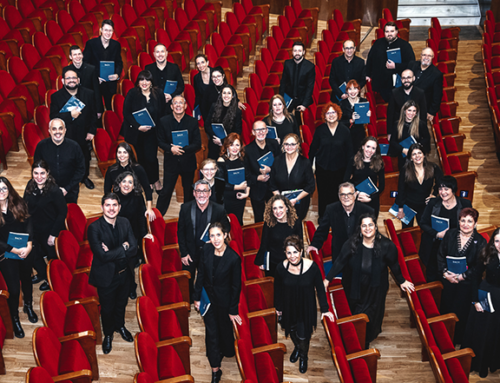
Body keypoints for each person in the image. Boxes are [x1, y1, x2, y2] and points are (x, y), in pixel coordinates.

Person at [324, 214, 415, 348]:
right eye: (364, 225)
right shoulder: (351, 243)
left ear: (375, 227)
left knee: (372, 315)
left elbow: (394, 265)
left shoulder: (386, 245)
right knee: (356, 313)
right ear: (360, 228)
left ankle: (366, 340)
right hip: (354, 286)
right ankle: (356, 337)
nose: (367, 228)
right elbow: (339, 262)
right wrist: (327, 279)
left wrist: (402, 281)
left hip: (375, 289)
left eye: (370, 225)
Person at [274, 235, 334, 373]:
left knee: (303, 336)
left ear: (301, 251)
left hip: (306, 307)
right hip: (288, 307)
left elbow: (320, 289)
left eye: (295, 252)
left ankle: (303, 356)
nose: (292, 256)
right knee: (292, 332)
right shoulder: (280, 268)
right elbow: (277, 289)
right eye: (289, 252)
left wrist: (325, 309)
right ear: (285, 253)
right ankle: (297, 347)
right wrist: (278, 307)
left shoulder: (312, 268)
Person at [88, 193, 137, 354]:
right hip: (106, 277)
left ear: (119, 207)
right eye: (107, 205)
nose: (111, 208)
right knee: (107, 308)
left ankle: (120, 325)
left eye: (114, 205)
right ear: (102, 207)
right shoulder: (94, 228)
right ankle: (108, 334)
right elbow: (102, 256)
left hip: (124, 274)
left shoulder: (125, 222)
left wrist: (114, 252)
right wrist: (123, 248)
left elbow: (134, 248)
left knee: (121, 304)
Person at [194, 222, 242, 383]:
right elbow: (200, 274)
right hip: (207, 300)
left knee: (224, 330)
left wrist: (233, 310)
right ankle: (215, 369)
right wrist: (196, 297)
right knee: (212, 333)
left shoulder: (234, 258)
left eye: (218, 235)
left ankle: (225, 350)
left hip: (224, 301)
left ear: (225, 235)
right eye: (212, 235)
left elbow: (236, 286)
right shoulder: (206, 249)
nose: (215, 239)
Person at [437, 208, 486, 345]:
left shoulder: (481, 242)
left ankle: (456, 340)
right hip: (448, 281)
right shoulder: (450, 234)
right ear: (458, 221)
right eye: (463, 220)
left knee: (461, 314)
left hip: (467, 286)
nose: (465, 224)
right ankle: (443, 338)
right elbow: (440, 255)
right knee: (446, 309)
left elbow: (479, 267)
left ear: (475, 224)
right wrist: (445, 273)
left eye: (470, 221)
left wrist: (462, 277)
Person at [178, 179, 230, 301]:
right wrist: (184, 253)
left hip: (210, 251)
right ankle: (190, 301)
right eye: (198, 191)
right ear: (194, 193)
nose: (202, 194)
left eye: (205, 191)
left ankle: (207, 300)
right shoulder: (185, 208)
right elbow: (181, 232)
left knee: (209, 278)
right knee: (188, 279)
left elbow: (226, 227)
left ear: (210, 193)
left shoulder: (219, 209)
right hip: (190, 252)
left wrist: (218, 238)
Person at [24, 160, 67, 292]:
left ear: (48, 173)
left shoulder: (54, 190)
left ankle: (52, 280)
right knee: (34, 254)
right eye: (36, 173)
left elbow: (62, 213)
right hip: (33, 228)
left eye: (42, 173)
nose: (39, 177)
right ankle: (42, 274)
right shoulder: (30, 185)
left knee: (52, 257)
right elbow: (25, 206)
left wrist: (53, 235)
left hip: (50, 230)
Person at [50, 67, 97, 190]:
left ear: (78, 80)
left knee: (85, 157)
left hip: (84, 133)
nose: (71, 80)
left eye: (74, 78)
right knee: (68, 158)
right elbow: (53, 117)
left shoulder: (89, 93)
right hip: (66, 135)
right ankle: (71, 180)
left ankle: (84, 177)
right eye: (68, 78)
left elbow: (93, 114)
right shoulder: (56, 97)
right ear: (63, 81)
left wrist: (92, 131)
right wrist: (69, 115)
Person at [462, 228, 500, 378]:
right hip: (487, 296)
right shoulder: (486, 254)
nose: (499, 245)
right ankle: (479, 364)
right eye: (497, 241)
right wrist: (475, 300)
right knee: (483, 331)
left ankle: (494, 362)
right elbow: (475, 278)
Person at [419, 176, 472, 282]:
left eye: (446, 189)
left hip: (454, 246)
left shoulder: (465, 204)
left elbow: (469, 225)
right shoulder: (433, 203)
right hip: (434, 245)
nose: (443, 192)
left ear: (453, 190)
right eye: (440, 189)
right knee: (432, 273)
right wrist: (437, 234)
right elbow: (423, 223)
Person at [0, 177, 34, 338]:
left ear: (9, 189)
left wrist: (29, 245)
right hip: (6, 254)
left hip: (24, 248)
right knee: (13, 289)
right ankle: (14, 319)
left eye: (4, 188)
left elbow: (28, 221)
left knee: (27, 279)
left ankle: (28, 305)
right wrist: (14, 250)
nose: (2, 192)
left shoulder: (18, 202)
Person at [156, 95, 201, 216]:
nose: (178, 105)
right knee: (166, 191)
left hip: (188, 162)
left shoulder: (192, 122)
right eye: (175, 103)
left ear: (185, 106)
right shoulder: (164, 121)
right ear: (171, 106)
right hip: (171, 162)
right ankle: (157, 215)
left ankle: (188, 215)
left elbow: (197, 144)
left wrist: (182, 150)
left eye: (181, 103)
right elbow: (160, 141)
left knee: (188, 190)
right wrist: (171, 149)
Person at [122, 70, 167, 191]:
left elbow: (163, 113)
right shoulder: (132, 93)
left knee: (151, 158)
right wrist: (138, 126)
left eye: (147, 80)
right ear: (138, 81)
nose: (144, 82)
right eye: (141, 79)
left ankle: (155, 181)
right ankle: (145, 182)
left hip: (153, 132)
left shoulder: (158, 93)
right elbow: (126, 113)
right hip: (137, 132)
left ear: (151, 82)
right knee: (140, 159)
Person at [308, 182, 374, 262]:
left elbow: (373, 234)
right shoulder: (331, 209)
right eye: (343, 194)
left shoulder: (367, 211)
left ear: (355, 195)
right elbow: (322, 230)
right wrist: (314, 245)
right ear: (339, 196)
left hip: (360, 256)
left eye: (349, 194)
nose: (346, 197)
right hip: (340, 256)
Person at [309, 102, 353, 219]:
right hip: (322, 168)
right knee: (323, 195)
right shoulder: (320, 130)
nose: (331, 115)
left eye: (333, 112)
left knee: (337, 195)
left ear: (338, 114)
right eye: (328, 113)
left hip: (340, 169)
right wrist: (309, 166)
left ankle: (336, 219)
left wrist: (348, 173)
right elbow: (313, 149)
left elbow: (350, 154)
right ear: (325, 115)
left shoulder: (345, 131)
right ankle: (323, 218)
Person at [112, 172, 151, 299]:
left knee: (129, 265)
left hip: (133, 235)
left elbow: (141, 217)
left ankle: (131, 287)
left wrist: (145, 234)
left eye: (130, 182)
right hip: (117, 235)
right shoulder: (113, 197)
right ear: (119, 183)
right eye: (124, 181)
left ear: (134, 185)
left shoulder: (138, 196)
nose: (127, 185)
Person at [33, 118, 85, 204]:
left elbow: (81, 169)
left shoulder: (75, 146)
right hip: (48, 190)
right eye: (54, 129)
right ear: (49, 131)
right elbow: (37, 168)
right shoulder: (41, 146)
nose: (58, 132)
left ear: (65, 130)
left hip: (70, 191)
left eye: (60, 128)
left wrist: (67, 188)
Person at [366, 21, 416, 102]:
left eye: (392, 31)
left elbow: (412, 64)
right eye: (387, 31)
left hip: (396, 85)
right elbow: (370, 59)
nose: (389, 34)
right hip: (379, 84)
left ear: (396, 32)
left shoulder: (405, 46)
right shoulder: (378, 43)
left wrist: (396, 66)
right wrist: (367, 74)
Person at [270, 133, 315, 221]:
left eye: (292, 144)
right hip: (281, 204)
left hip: (299, 203)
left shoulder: (305, 162)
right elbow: (272, 184)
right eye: (286, 144)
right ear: (283, 145)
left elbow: (310, 186)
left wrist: (295, 199)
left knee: (296, 228)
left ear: (298, 145)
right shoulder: (277, 160)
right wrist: (281, 201)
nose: (289, 147)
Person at [103, 142, 155, 220]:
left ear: (129, 154)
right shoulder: (111, 170)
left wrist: (149, 208)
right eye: (119, 152)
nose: (122, 155)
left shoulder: (138, 169)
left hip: (136, 202)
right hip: (119, 203)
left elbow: (147, 189)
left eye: (125, 152)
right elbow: (107, 191)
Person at [396, 143, 442, 228]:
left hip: (424, 206)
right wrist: (400, 208)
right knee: (407, 231)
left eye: (419, 153)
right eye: (414, 154)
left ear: (424, 154)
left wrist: (435, 194)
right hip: (408, 206)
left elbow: (441, 182)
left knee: (425, 230)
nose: (417, 156)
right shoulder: (405, 170)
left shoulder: (433, 167)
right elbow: (401, 189)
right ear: (411, 158)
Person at [254, 195, 302, 277]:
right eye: (274, 208)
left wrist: (300, 262)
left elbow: (300, 244)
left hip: (291, 260)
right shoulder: (269, 223)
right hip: (274, 262)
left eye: (280, 207)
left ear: (286, 208)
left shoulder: (296, 222)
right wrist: (261, 261)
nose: (278, 211)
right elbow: (264, 244)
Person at [244, 121, 281, 222]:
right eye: (257, 130)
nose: (260, 132)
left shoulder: (274, 144)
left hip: (273, 187)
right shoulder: (247, 150)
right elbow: (246, 173)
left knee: (275, 216)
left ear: (267, 130)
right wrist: (257, 178)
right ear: (253, 132)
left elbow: (281, 165)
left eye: (263, 129)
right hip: (257, 190)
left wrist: (271, 169)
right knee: (259, 218)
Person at [83, 19, 123, 111]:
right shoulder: (91, 44)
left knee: (111, 109)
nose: (108, 33)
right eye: (105, 30)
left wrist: (117, 75)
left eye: (110, 30)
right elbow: (84, 63)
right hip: (96, 82)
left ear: (113, 31)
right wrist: (94, 77)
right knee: (97, 110)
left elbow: (119, 63)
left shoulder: (116, 45)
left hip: (110, 82)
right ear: (101, 30)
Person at [344, 137, 385, 218]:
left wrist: (370, 198)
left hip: (372, 199)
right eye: (368, 146)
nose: (370, 150)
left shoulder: (379, 163)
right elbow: (345, 180)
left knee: (370, 226)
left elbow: (382, 186)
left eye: (373, 148)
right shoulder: (353, 160)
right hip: (356, 197)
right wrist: (357, 193)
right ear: (363, 146)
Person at [217, 133, 249, 225]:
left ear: (241, 146)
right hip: (226, 197)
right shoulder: (221, 161)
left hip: (240, 197)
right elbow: (220, 183)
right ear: (227, 146)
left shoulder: (243, 159)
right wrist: (237, 187)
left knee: (238, 222)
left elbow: (248, 177)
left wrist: (247, 193)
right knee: (226, 223)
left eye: (237, 145)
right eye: (231, 145)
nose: (234, 148)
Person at [389, 100, 431, 171]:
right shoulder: (397, 124)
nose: (411, 113)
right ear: (405, 111)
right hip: (403, 156)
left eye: (414, 111)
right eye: (409, 110)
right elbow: (393, 141)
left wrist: (417, 147)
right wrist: (403, 150)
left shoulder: (421, 124)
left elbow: (427, 138)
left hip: (417, 156)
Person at [386, 69, 428, 138]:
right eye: (404, 78)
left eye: (408, 77)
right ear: (401, 80)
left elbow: (423, 113)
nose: (406, 80)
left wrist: (423, 131)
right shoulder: (394, 93)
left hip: (415, 128)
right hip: (399, 129)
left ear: (413, 78)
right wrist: (389, 133)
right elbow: (390, 114)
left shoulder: (420, 93)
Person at [205, 84, 242, 159]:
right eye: (224, 93)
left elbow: (237, 131)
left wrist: (223, 141)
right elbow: (207, 124)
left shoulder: (237, 111)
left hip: (229, 145)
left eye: (229, 93)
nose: (226, 95)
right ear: (221, 95)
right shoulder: (213, 106)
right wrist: (214, 137)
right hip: (214, 142)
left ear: (232, 96)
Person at [279, 41, 315, 116]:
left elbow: (309, 87)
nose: (297, 53)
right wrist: (281, 100)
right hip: (289, 98)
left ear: (303, 52)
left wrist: (304, 105)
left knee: (299, 122)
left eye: (299, 51)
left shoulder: (310, 67)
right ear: (292, 52)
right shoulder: (287, 64)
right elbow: (283, 83)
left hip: (302, 99)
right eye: (295, 50)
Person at [145, 44, 185, 111]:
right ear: (154, 54)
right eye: (157, 52)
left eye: (162, 51)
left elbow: (181, 86)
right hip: (154, 104)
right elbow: (145, 87)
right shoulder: (148, 69)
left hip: (170, 104)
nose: (160, 54)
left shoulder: (174, 68)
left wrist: (171, 96)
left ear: (166, 53)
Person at [407, 48, 443, 122]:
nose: (426, 58)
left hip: (421, 107)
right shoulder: (412, 65)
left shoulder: (437, 74)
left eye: (429, 56)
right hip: (406, 103)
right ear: (420, 56)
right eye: (424, 55)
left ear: (432, 58)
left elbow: (437, 95)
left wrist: (431, 112)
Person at [67, 45, 103, 117]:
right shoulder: (67, 70)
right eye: (75, 54)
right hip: (75, 107)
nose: (78, 56)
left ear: (82, 55)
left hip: (90, 106)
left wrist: (99, 110)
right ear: (70, 57)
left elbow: (97, 90)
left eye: (79, 54)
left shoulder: (91, 69)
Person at [339, 80, 371, 151]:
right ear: (347, 91)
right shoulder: (342, 104)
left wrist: (368, 115)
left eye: (355, 88)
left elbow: (366, 121)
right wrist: (351, 120)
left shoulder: (364, 101)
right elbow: (339, 123)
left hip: (360, 133)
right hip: (347, 134)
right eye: (350, 89)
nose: (353, 92)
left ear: (359, 90)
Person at [192, 54, 213, 118]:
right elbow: (198, 96)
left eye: (202, 62)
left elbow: (225, 88)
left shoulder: (216, 73)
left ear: (207, 62)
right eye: (198, 63)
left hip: (218, 106)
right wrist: (195, 110)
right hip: (205, 107)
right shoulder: (196, 78)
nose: (200, 65)